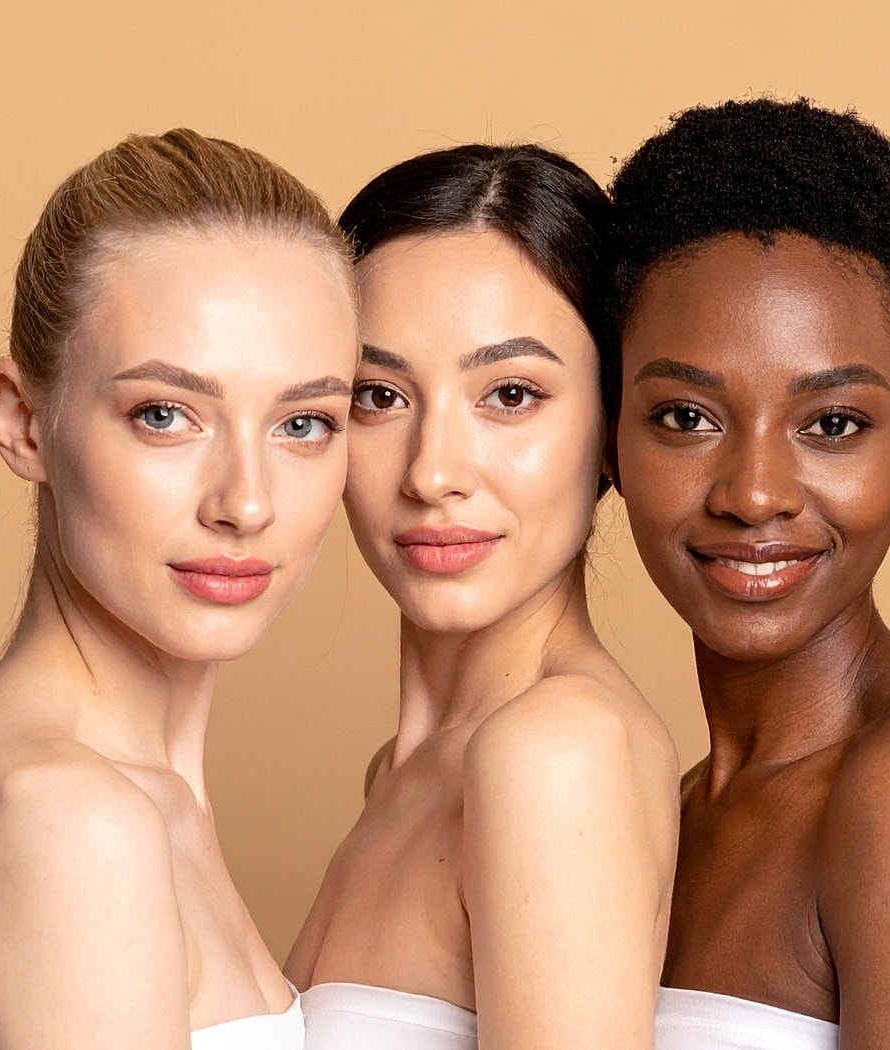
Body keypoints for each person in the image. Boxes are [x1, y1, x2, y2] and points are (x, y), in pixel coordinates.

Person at [0, 128, 359, 1049]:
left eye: (305, 422)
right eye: (166, 415)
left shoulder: (135, 799)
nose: (245, 501)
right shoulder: (62, 818)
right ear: (23, 420)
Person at [607, 98, 890, 1050]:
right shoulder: (666, 805)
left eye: (834, 425)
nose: (755, 494)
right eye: (688, 417)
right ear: (608, 438)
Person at [285, 143, 680, 1050]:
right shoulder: (401, 771)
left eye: (510, 393)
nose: (432, 472)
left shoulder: (554, 754)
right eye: (379, 395)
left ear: (612, 429)